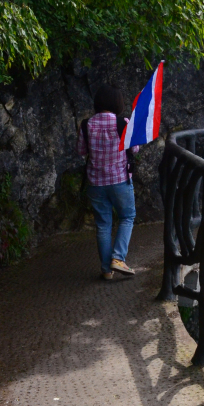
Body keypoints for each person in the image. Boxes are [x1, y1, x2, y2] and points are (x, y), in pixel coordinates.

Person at [77, 84, 139, 281]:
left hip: (95, 182)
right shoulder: (123, 123)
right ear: (117, 103)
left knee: (103, 225)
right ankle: (118, 258)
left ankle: (106, 270)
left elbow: (81, 151)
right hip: (120, 179)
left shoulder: (87, 125)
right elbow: (134, 149)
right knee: (127, 217)